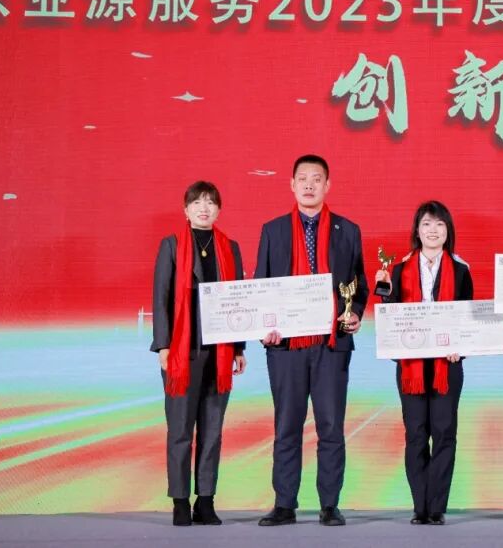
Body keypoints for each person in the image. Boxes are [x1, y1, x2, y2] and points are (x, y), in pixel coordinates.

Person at [255, 155, 369, 528]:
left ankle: (330, 504)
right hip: (286, 347)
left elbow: (359, 287)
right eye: (302, 178)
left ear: (327, 185)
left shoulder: (347, 230)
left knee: (331, 427)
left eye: (316, 179)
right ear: (291, 184)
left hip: (330, 345)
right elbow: (261, 285)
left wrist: (355, 314)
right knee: (287, 426)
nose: (309, 185)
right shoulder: (273, 230)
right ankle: (284, 503)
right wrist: (264, 326)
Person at [151, 181, 246, 526]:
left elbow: (238, 300)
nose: (204, 208)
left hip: (219, 352)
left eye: (210, 203)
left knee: (212, 429)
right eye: (197, 203)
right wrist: (163, 345)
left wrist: (238, 347)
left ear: (219, 209)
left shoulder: (230, 248)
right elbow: (161, 296)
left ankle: (205, 500)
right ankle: (180, 501)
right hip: (181, 351)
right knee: (180, 429)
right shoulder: (172, 245)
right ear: (186, 210)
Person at [375, 201, 474, 526]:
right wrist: (383, 290)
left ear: (448, 231)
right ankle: (420, 506)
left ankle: (437, 507)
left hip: (448, 364)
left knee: (444, 434)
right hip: (411, 366)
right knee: (416, 434)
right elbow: (391, 316)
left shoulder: (461, 269)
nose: (433, 230)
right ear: (417, 231)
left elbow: (467, 316)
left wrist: (460, 347)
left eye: (439, 225)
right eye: (427, 224)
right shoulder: (399, 269)